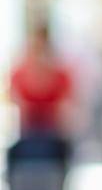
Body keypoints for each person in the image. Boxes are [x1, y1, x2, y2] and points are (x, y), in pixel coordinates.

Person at [7, 20, 78, 154]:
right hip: (26, 137)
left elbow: (66, 114)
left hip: (53, 138)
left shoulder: (61, 76)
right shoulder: (18, 75)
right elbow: (17, 109)